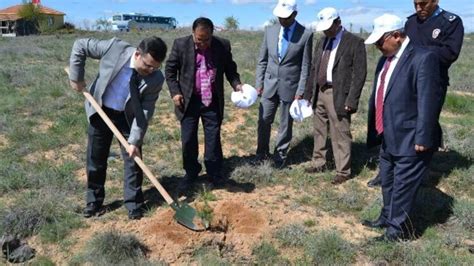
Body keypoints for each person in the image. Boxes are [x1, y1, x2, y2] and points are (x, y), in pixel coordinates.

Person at [362, 14, 443, 241]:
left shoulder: (423, 58)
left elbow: (428, 101)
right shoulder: (385, 59)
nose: (378, 46)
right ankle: (386, 218)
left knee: (402, 186)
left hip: (411, 136)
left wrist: (423, 138)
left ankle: (396, 232)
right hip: (388, 134)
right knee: (387, 180)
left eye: (380, 41)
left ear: (396, 36)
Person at [367, 0, 464, 187]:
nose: (419, 8)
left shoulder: (450, 22)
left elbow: (450, 53)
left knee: (424, 123)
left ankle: (418, 170)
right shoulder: (411, 23)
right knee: (392, 120)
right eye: (415, 4)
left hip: (431, 83)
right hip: (403, 81)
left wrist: (417, 54)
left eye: (424, 3)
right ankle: (387, 170)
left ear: (435, 1)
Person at [68, 37, 167, 220]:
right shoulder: (114, 48)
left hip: (128, 117)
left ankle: (134, 203)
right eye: (147, 65)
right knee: (96, 158)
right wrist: (76, 77)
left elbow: (145, 110)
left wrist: (135, 140)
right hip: (101, 108)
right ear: (137, 54)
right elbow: (80, 45)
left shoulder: (156, 78)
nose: (150, 70)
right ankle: (94, 202)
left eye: (155, 67)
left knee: (133, 159)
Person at [165, 17, 242, 188]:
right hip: (188, 101)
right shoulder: (180, 44)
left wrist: (237, 84)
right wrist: (175, 92)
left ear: (212, 35)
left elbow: (231, 69)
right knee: (188, 139)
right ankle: (191, 172)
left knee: (213, 139)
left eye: (207, 39)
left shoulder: (222, 45)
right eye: (199, 40)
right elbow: (170, 71)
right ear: (193, 34)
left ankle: (214, 173)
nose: (203, 44)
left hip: (212, 101)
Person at [303, 7, 367, 185]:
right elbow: (314, 69)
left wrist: (352, 99)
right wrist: (308, 93)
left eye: (329, 27)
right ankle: (319, 162)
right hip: (320, 91)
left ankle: (343, 170)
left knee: (341, 132)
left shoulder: (354, 42)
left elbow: (359, 74)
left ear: (338, 23)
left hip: (338, 94)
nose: (325, 30)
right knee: (319, 129)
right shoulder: (321, 41)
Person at [255, 0, 313, 168]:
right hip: (269, 84)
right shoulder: (270, 31)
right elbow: (262, 60)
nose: (282, 20)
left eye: (286, 17)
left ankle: (280, 155)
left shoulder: (305, 34)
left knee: (285, 123)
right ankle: (261, 153)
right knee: (264, 119)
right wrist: (259, 82)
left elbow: (305, 66)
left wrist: (301, 90)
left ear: (295, 14)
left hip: (291, 86)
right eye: (279, 17)